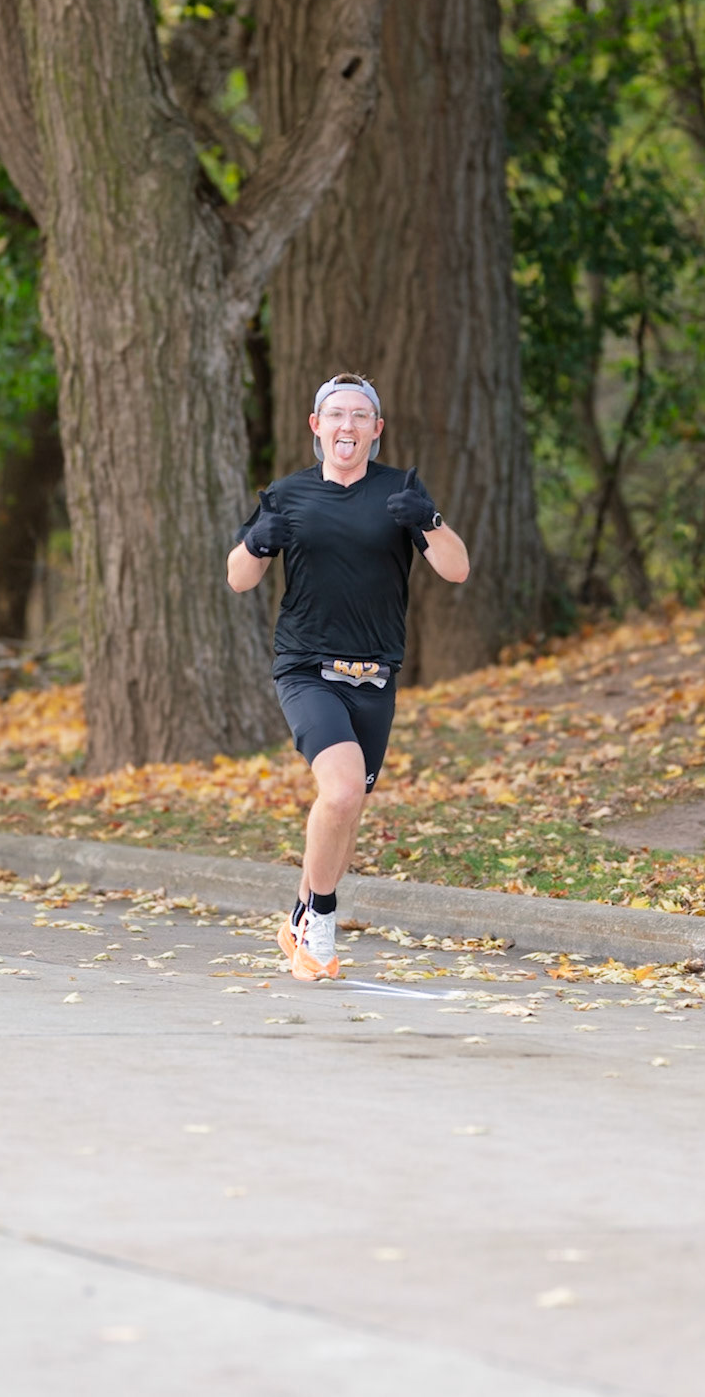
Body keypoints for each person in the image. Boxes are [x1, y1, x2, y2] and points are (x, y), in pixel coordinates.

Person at [226, 372, 470, 981]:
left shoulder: (399, 493)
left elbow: (457, 569)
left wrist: (431, 520)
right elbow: (238, 578)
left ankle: (298, 917)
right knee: (339, 791)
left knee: (348, 807)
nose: (347, 425)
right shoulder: (287, 494)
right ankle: (321, 919)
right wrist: (256, 544)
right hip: (307, 667)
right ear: (317, 426)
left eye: (360, 416)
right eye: (336, 414)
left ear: (376, 429)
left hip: (375, 673)